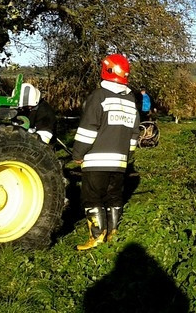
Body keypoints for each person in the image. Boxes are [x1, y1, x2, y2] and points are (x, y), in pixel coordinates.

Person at [72, 53, 140, 251]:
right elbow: (134, 132)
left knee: (92, 198)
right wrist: (127, 154)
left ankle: (97, 236)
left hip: (96, 161)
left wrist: (78, 154)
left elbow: (88, 128)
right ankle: (113, 233)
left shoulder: (99, 96)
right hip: (120, 162)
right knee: (115, 197)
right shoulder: (130, 99)